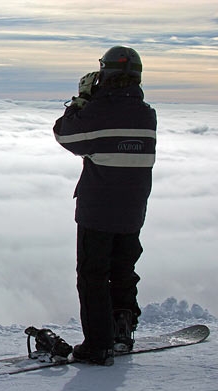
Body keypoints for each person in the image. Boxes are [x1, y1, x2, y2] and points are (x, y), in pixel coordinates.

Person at [53, 46, 157, 366]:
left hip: (98, 209)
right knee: (123, 270)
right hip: (133, 208)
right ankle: (122, 331)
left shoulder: (98, 111)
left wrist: (82, 100)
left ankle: (99, 345)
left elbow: (65, 135)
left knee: (93, 275)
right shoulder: (146, 113)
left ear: (105, 74)